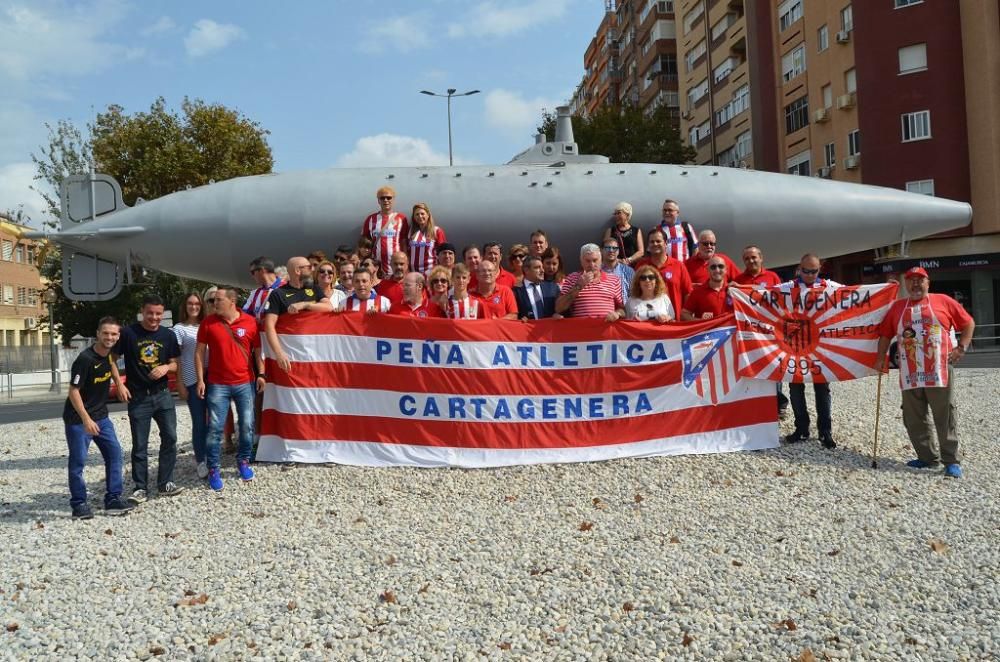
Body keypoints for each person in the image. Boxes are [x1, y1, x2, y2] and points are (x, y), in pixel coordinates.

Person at [875, 267, 975, 478]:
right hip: (910, 372)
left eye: (920, 280)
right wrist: (881, 358)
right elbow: (885, 334)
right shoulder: (897, 308)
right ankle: (927, 457)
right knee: (913, 417)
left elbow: (968, 323)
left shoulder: (943, 301)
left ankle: (951, 461)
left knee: (944, 415)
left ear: (928, 283)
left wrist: (961, 348)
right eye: (911, 280)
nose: (916, 284)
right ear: (906, 284)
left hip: (938, 370)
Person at [113, 294, 183, 503]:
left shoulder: (168, 336)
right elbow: (111, 359)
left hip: (163, 396)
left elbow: (176, 364)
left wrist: (166, 367)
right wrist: (119, 384)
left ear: (163, 314)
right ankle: (140, 487)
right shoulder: (128, 333)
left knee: (170, 438)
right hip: (139, 398)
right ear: (142, 311)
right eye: (150, 313)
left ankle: (165, 483)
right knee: (140, 444)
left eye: (158, 314)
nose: (154, 317)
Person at [64, 317, 134, 519]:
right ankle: (79, 504)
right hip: (79, 420)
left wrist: (119, 384)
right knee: (78, 462)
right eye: (106, 333)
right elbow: (73, 391)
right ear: (98, 334)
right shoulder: (85, 360)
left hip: (102, 417)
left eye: (113, 334)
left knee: (115, 454)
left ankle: (113, 499)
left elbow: (111, 363)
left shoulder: (109, 354)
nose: (110, 337)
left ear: (118, 336)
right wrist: (86, 420)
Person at [196, 287, 264, 491]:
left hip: (245, 382)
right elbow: (199, 353)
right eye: (213, 300)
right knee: (215, 428)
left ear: (232, 301)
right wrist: (201, 380)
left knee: (247, 424)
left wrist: (262, 373)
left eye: (217, 300)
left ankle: (243, 461)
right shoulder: (208, 323)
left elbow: (259, 350)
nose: (213, 303)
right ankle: (214, 468)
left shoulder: (250, 322)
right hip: (217, 384)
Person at [783, 254, 842, 449]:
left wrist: (886, 289)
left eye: (813, 271)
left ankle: (825, 431)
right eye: (805, 271)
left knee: (822, 390)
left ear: (820, 270)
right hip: (796, 348)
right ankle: (801, 428)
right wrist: (740, 289)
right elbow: (762, 295)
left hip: (820, 349)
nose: (809, 275)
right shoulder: (788, 287)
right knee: (795, 389)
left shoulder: (828, 286)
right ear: (799, 269)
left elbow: (855, 294)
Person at [732, 245, 787, 418]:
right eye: (747, 258)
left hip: (771, 333)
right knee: (754, 368)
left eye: (753, 257)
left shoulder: (773, 277)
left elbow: (782, 301)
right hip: (751, 333)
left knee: (775, 368)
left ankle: (779, 404)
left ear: (761, 258)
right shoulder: (739, 279)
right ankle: (758, 403)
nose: (751, 261)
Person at [264, 256, 331, 374]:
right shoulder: (278, 293)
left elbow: (329, 307)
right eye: (309, 267)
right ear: (297, 271)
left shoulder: (314, 289)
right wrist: (278, 353)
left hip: (315, 352)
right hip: (291, 354)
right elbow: (269, 325)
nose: (313, 269)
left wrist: (305, 305)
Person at [173, 292, 209, 479]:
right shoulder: (179, 329)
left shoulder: (208, 324)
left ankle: (211, 456)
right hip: (192, 379)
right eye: (190, 303)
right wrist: (179, 383)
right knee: (199, 422)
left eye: (197, 303)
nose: (194, 307)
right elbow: (176, 358)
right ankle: (201, 460)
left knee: (214, 420)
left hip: (212, 377)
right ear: (185, 306)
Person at [556, 244, 625, 321]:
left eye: (595, 260)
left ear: (601, 260)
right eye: (588, 261)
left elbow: (623, 309)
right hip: (582, 331)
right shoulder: (571, 278)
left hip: (605, 330)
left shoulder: (614, 280)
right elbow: (559, 308)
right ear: (581, 261)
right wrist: (578, 286)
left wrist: (617, 314)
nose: (592, 265)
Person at [634, 229, 693, 317]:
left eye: (658, 241)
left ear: (665, 243)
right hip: (648, 322)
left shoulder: (678, 266)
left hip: (673, 321)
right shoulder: (641, 266)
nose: (655, 244)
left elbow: (688, 293)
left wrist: (685, 316)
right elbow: (635, 291)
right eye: (652, 242)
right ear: (648, 245)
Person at [361, 186, 409, 277]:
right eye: (382, 198)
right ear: (378, 201)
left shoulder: (401, 219)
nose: (386, 200)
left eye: (389, 197)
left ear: (393, 199)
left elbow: (404, 243)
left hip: (396, 268)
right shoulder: (371, 219)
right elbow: (364, 243)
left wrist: (406, 264)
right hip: (376, 268)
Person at [681, 256, 734, 320]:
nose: (717, 270)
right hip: (708, 329)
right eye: (713, 267)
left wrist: (740, 287)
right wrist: (701, 321)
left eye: (720, 266)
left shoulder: (734, 291)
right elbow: (684, 315)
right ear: (707, 270)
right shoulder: (698, 292)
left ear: (726, 269)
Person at [408, 202, 446, 274]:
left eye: (422, 213)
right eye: (417, 214)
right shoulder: (411, 232)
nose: (420, 216)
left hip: (430, 273)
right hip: (413, 274)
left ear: (428, 215)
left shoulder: (437, 231)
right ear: (414, 217)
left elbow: (443, 253)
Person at [243, 257, 284, 321]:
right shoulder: (255, 293)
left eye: (252, 272)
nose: (252, 276)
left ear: (262, 270)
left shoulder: (286, 288)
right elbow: (245, 315)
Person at [603, 202, 644, 266]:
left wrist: (629, 260)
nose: (616, 216)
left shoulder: (636, 230)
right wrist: (618, 261)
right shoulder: (610, 230)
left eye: (619, 213)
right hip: (615, 266)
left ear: (627, 214)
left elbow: (641, 252)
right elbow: (603, 249)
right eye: (615, 214)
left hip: (633, 266)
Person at [600, 236, 635, 303]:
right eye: (607, 248)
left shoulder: (629, 271)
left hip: (624, 310)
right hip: (603, 308)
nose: (611, 251)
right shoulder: (596, 271)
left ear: (618, 251)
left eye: (614, 248)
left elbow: (634, 294)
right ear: (601, 250)